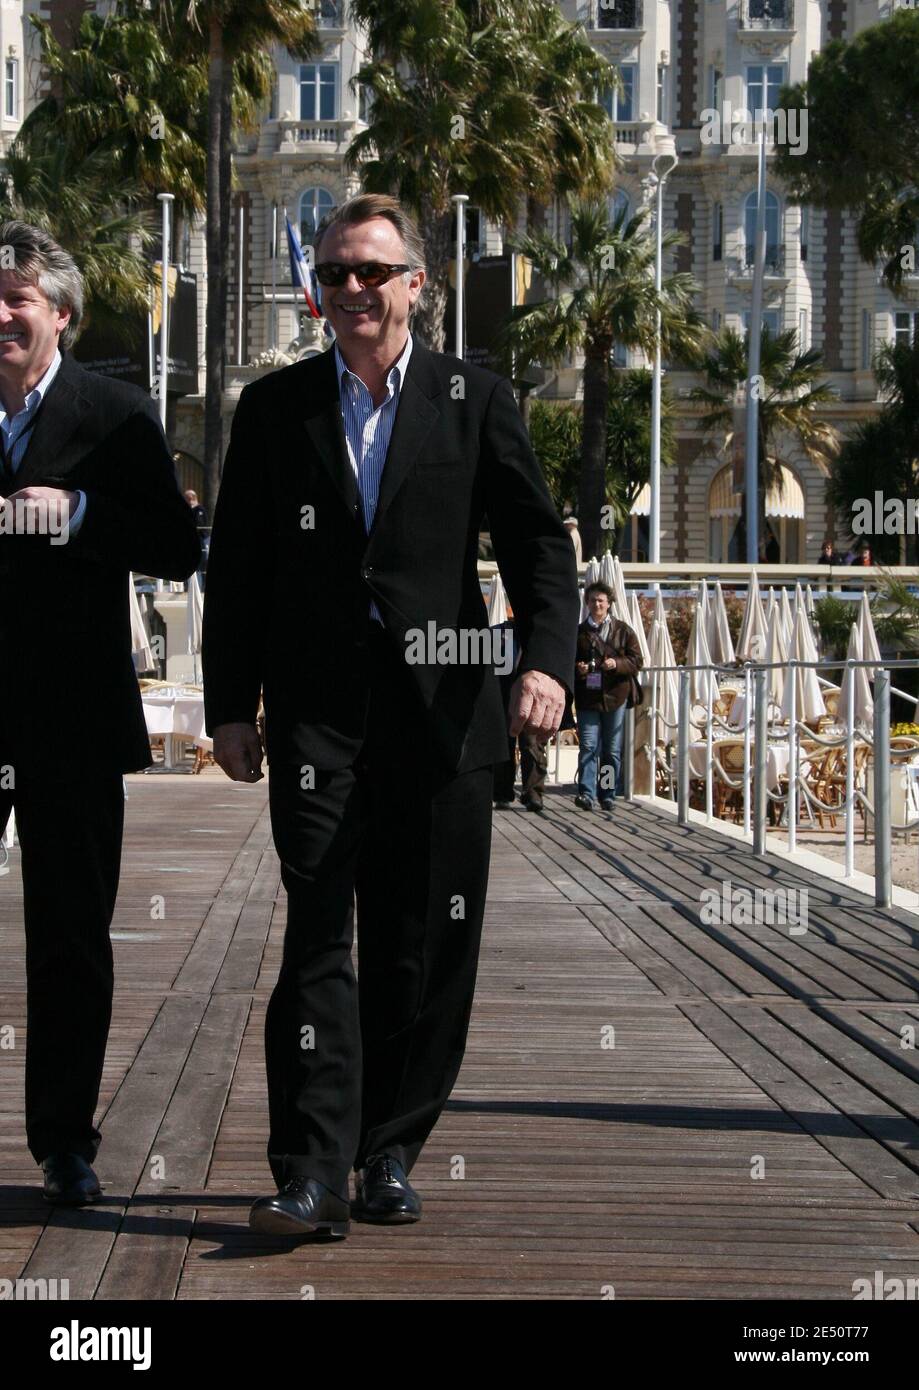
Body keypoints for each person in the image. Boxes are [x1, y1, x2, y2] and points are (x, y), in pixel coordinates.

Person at [202, 193, 578, 1240]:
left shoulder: (475, 398)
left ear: (419, 282)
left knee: (424, 942)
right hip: (319, 717)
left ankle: (392, 1146)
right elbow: (238, 574)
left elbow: (540, 546)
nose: (354, 290)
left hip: (444, 710)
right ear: (318, 295)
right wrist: (232, 707)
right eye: (335, 275)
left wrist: (543, 663)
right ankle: (312, 1169)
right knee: (319, 934)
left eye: (373, 271)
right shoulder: (274, 411)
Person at [0, 221, 200, 1205]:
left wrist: (76, 516)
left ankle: (63, 1144)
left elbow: (177, 540)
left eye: (16, 298)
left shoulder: (113, 412)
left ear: (61, 316)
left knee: (70, 934)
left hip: (71, 716)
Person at [574, 582, 643, 812]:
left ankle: (607, 793)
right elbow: (568, 663)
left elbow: (637, 661)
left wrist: (617, 663)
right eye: (593, 600)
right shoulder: (579, 632)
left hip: (616, 697)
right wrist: (580, 669)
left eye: (601, 600)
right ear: (587, 603)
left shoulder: (624, 631)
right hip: (588, 698)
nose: (597, 604)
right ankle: (586, 793)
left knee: (611, 750)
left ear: (609, 603)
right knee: (588, 746)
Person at [492, 616, 549, 815]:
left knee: (532, 746)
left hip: (532, 698)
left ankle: (533, 794)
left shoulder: (539, 633)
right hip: (504, 695)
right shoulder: (497, 632)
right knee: (503, 748)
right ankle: (501, 793)